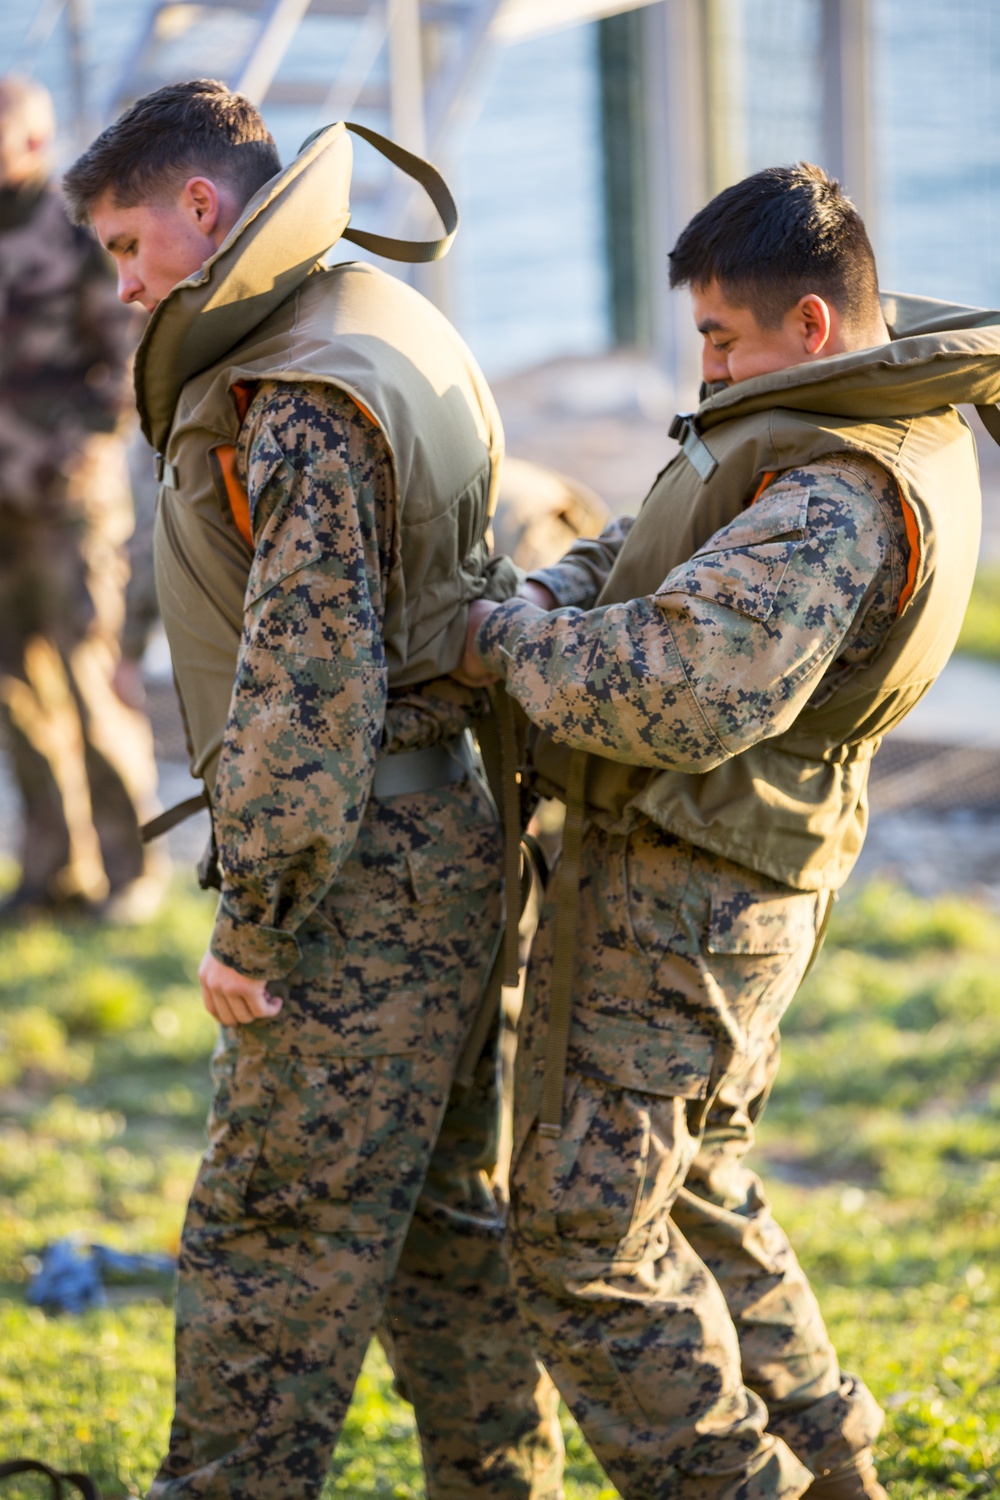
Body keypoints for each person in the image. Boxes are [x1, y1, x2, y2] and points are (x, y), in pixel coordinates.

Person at [460, 163, 997, 1498]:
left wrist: (501, 641)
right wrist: (555, 593)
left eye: (719, 337)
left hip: (688, 902)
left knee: (583, 1244)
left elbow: (678, 690)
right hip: (705, 878)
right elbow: (658, 555)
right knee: (697, 1181)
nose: (704, 372)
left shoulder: (839, 487)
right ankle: (833, 1461)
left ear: (811, 327)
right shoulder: (830, 422)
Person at [63, 80, 563, 1499]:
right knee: (437, 1230)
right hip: (452, 828)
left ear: (202, 210)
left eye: (125, 245)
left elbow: (306, 691)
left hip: (360, 875)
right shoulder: (373, 315)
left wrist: (257, 927)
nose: (123, 283)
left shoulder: (291, 395)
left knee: (270, 1243)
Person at [0, 75, 160, 919]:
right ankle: (51, 870)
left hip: (64, 501)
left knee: (90, 680)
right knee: (14, 691)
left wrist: (75, 454)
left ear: (32, 142)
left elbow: (132, 360)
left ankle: (129, 875)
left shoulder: (77, 235)